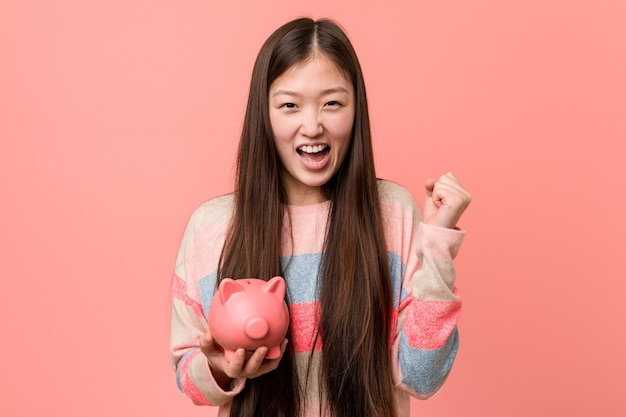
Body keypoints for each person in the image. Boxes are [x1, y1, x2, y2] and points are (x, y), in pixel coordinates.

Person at [170, 17, 471, 417]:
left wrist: (438, 239)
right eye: (290, 105)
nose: (312, 127)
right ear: (265, 113)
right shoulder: (213, 227)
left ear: (356, 109)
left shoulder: (393, 213)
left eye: (332, 103)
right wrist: (220, 369)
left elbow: (422, 376)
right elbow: (190, 378)